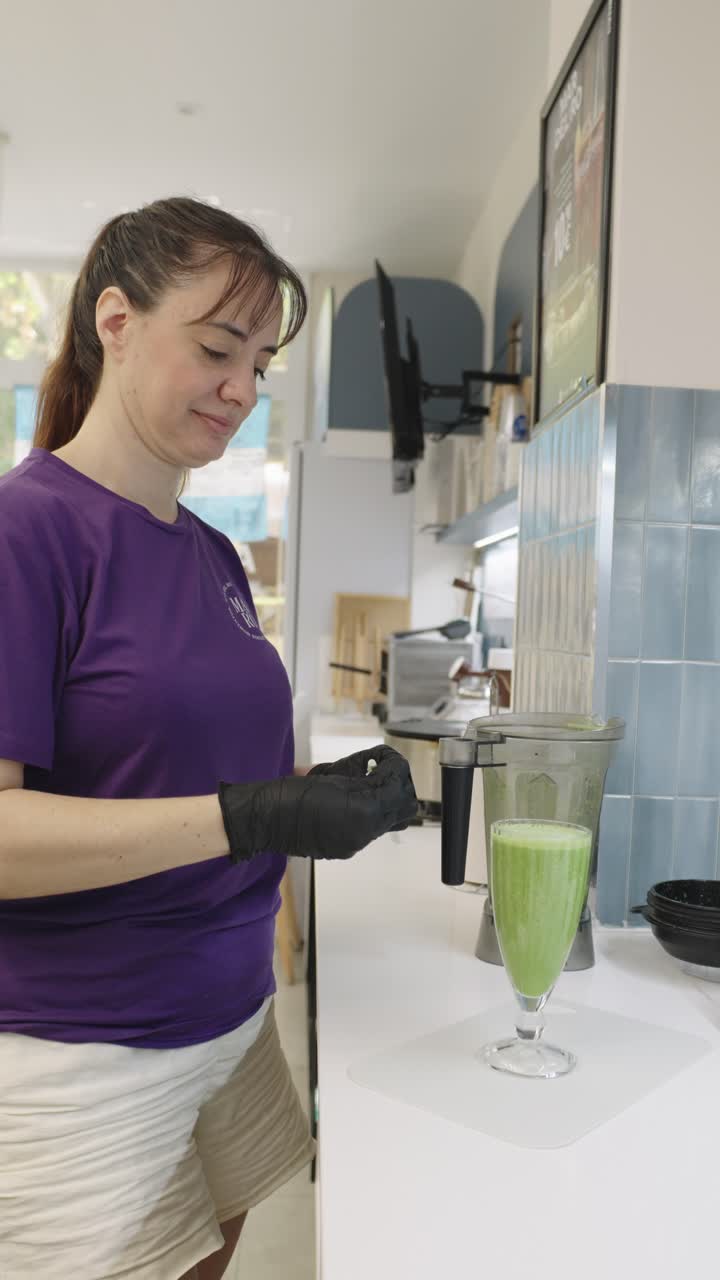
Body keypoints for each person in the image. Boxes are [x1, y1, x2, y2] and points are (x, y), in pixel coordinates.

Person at [0, 196, 418, 1280]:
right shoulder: (25, 531)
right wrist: (253, 814)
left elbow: (196, 768)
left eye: (262, 362)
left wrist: (313, 792)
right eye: (218, 346)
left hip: (230, 1015)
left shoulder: (211, 556)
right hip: (87, 1047)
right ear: (116, 320)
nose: (243, 389)